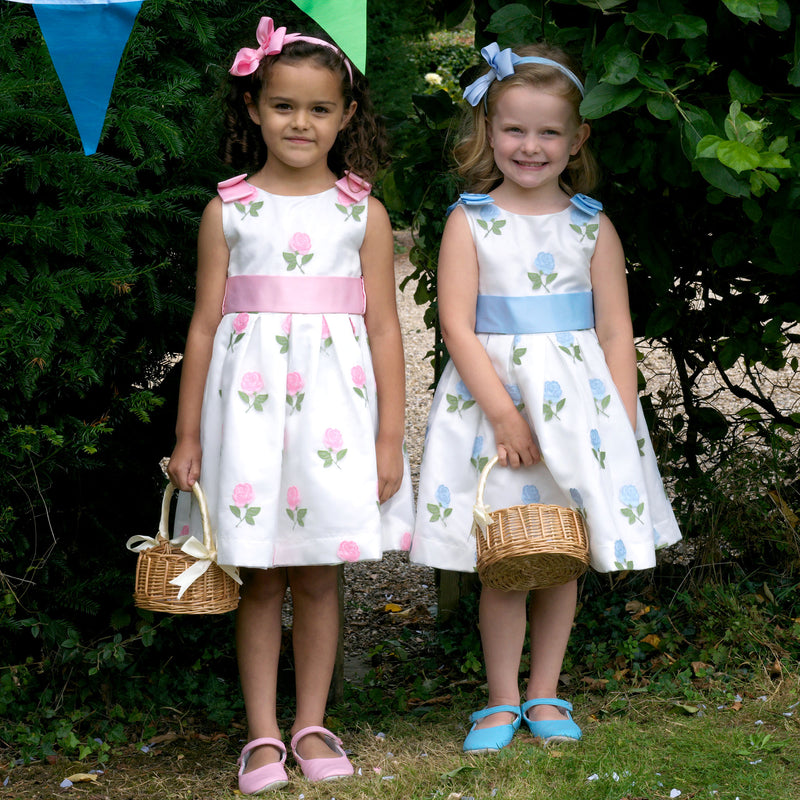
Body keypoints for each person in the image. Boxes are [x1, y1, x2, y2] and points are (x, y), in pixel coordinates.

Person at [410, 42, 681, 753]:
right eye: (514, 130)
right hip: (492, 411)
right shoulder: (469, 221)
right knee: (506, 553)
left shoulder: (592, 225)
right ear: (487, 131)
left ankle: (545, 693)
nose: (531, 147)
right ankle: (500, 699)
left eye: (549, 132)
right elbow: (456, 325)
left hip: (579, 414)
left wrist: (619, 423)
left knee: (562, 550)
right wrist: (501, 411)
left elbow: (617, 332)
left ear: (577, 139)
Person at [167, 17, 414, 793]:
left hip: (331, 422)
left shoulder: (361, 213)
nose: (299, 123)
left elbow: (383, 329)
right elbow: (204, 326)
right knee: (259, 577)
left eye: (317, 109)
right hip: (244, 421)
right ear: (253, 109)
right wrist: (187, 437)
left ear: (345, 117)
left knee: (317, 575)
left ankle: (312, 722)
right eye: (282, 106)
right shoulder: (229, 211)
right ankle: (264, 736)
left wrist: (386, 439)